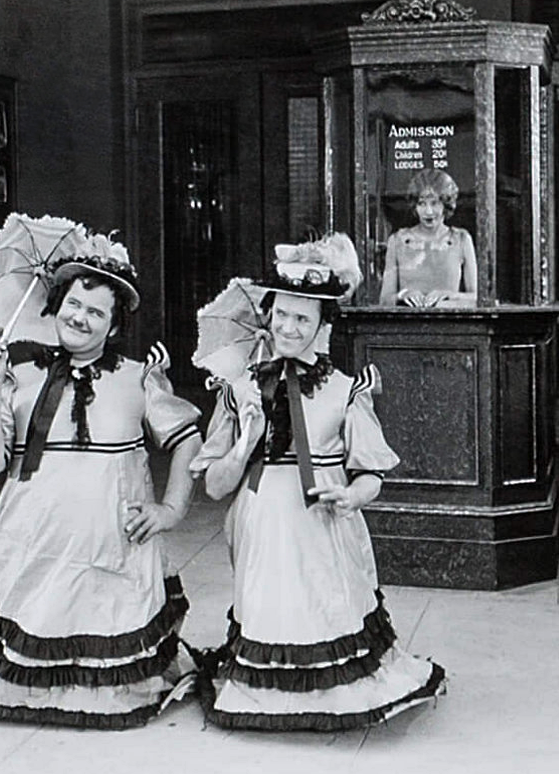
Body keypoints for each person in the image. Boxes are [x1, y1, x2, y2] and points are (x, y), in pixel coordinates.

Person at [190, 233, 445, 731]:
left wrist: (351, 495)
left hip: (325, 527)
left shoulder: (344, 391)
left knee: (326, 610)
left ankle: (330, 690)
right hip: (261, 524)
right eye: (281, 315)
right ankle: (268, 693)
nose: (288, 327)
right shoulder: (241, 388)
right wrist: (246, 441)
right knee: (272, 609)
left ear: (322, 325)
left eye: (302, 319)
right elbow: (216, 487)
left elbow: (372, 474)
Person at [0, 235, 203, 728]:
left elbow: (187, 439)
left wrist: (171, 508)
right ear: (55, 306)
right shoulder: (18, 376)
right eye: (73, 304)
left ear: (113, 327)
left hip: (111, 550)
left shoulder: (137, 378)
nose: (80, 318)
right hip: (34, 545)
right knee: (39, 624)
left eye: (96, 313)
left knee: (108, 643)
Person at [379, 168, 477, 307]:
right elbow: (384, 300)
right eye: (422, 204)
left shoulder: (461, 239)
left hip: (450, 324)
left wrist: (451, 296)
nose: (428, 211)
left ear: (446, 204)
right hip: (407, 325)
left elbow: (478, 299)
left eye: (435, 203)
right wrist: (403, 295)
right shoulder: (397, 241)